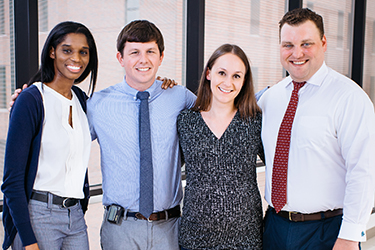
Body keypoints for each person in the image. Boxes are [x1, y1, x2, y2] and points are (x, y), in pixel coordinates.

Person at [258, 8, 375, 250]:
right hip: (274, 227)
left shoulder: (349, 97)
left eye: (306, 44)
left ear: (323, 43)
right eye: (288, 45)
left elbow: (363, 171)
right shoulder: (270, 98)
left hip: (327, 231)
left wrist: (350, 236)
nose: (297, 53)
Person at [86, 20, 196, 249]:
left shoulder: (181, 97)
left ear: (161, 57)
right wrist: (28, 102)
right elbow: (63, 136)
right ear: (120, 58)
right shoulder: (98, 104)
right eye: (134, 52)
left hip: (170, 228)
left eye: (150, 52)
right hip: (120, 230)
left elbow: (220, 114)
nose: (143, 60)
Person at [2, 21, 98, 250]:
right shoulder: (32, 100)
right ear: (52, 52)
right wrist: (27, 239)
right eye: (67, 50)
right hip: (38, 217)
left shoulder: (83, 101)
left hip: (75, 218)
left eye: (83, 52)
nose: (76, 58)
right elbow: (12, 181)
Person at [177, 44, 264, 250]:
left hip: (246, 238)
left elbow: (278, 164)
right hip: (195, 237)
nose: (228, 82)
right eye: (222, 73)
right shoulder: (186, 121)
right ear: (209, 73)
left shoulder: (254, 121)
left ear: (244, 81)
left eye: (236, 76)